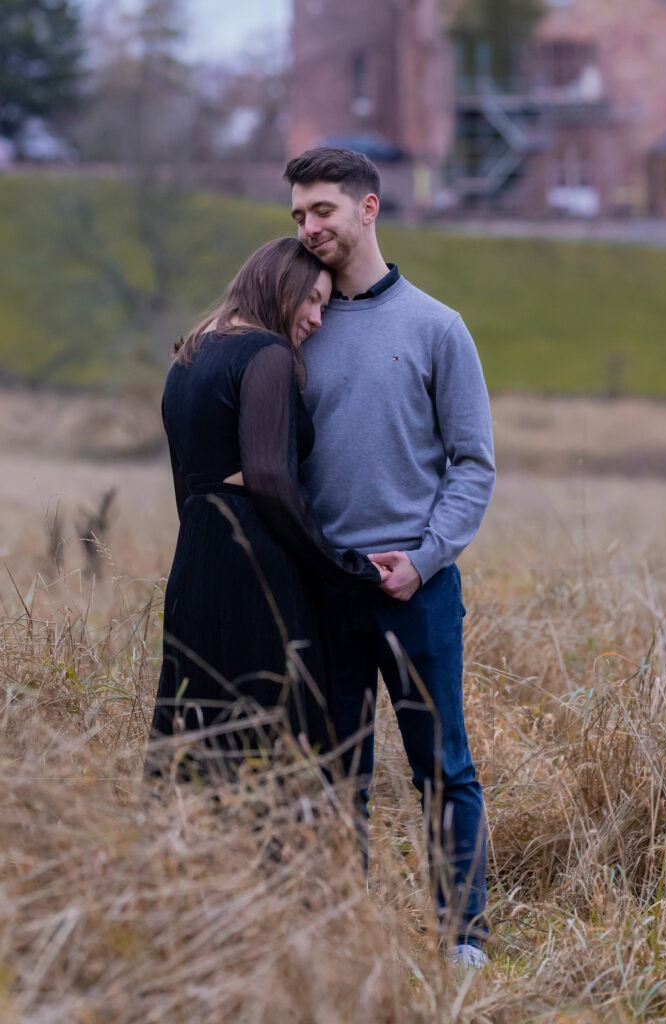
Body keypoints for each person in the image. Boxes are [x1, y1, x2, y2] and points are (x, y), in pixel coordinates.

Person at [284, 148, 496, 969]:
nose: (308, 228)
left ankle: (462, 939)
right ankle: (344, 937)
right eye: (298, 215)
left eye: (322, 211)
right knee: (336, 774)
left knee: (443, 767)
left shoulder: (437, 327)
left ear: (367, 209)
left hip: (418, 590)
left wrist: (425, 556)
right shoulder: (298, 326)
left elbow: (472, 461)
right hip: (325, 589)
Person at [145, 237, 385, 782]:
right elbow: (271, 479)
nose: (319, 319)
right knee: (274, 735)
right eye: (314, 301)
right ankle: (272, 864)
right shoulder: (266, 353)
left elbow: (186, 482)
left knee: (200, 726)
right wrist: (346, 568)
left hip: (196, 559)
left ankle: (188, 857)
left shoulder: (189, 355)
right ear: (283, 287)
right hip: (257, 562)